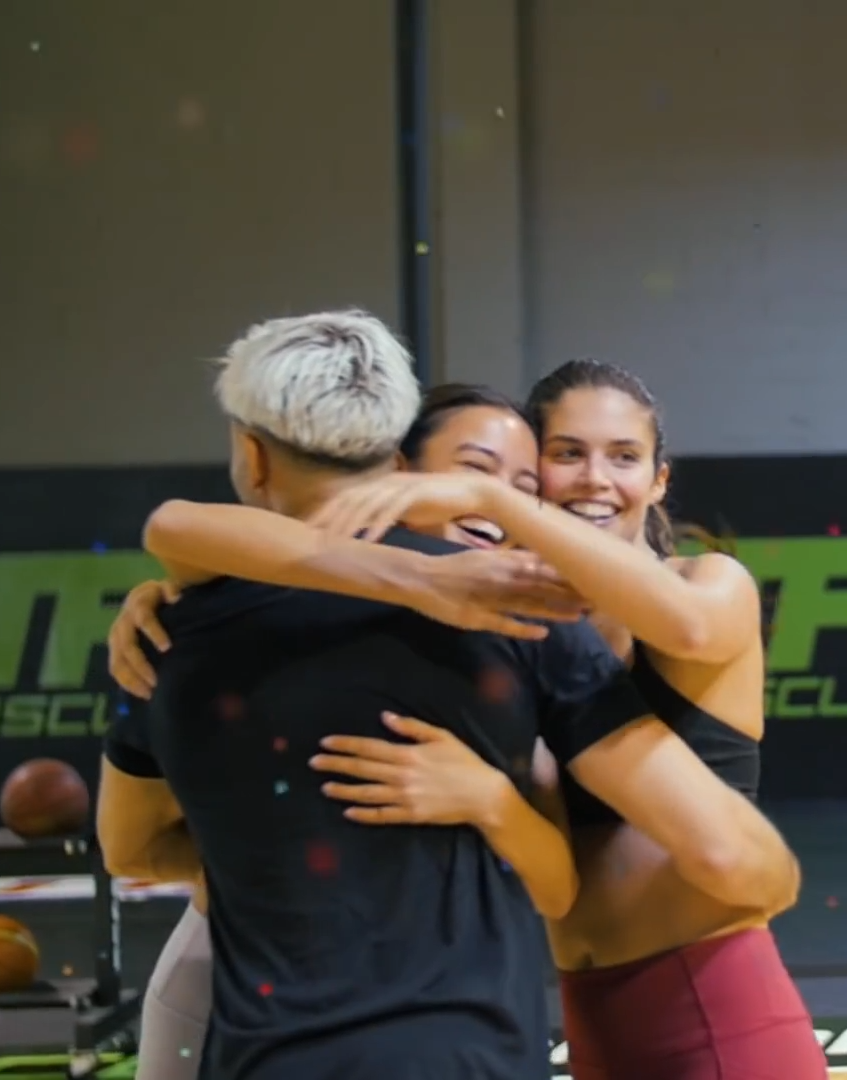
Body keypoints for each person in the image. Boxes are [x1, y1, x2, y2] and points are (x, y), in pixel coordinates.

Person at [112, 360, 824, 1078]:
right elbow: (181, 526)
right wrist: (172, 594)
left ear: (659, 479)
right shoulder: (510, 634)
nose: (593, 480)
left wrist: (488, 500)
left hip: (710, 1000)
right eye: (565, 455)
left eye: (623, 456)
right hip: (567, 1014)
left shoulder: (694, 587)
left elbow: (691, 645)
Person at [93, 312, 639, 1079]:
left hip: (283, 1041)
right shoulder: (519, 627)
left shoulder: (178, 626)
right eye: (472, 473)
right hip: (389, 1033)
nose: (490, 506)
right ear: (401, 464)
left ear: (252, 454)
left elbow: (131, 846)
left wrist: (490, 802)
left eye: (521, 490)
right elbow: (179, 527)